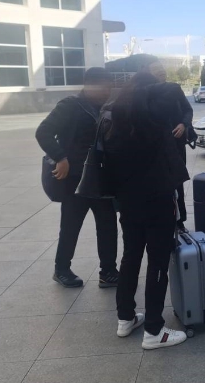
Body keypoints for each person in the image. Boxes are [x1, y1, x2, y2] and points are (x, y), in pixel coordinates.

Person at [104, 72, 190, 350]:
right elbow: (172, 91)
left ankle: (125, 318)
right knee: (157, 261)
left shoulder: (115, 122)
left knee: (130, 256)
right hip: (157, 201)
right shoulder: (154, 122)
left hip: (128, 202)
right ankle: (154, 330)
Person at [35, 67, 119, 289]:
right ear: (89, 85)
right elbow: (43, 132)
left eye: (109, 88)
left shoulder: (107, 107)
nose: (107, 92)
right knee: (71, 226)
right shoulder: (70, 105)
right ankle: (61, 269)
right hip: (75, 180)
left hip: (100, 178)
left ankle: (108, 272)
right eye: (104, 87)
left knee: (108, 225)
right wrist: (60, 157)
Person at [143, 60, 194, 226]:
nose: (161, 71)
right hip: (156, 146)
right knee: (161, 184)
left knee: (178, 182)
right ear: (148, 73)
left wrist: (183, 124)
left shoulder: (174, 89)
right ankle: (164, 221)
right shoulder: (144, 93)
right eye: (156, 69)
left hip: (177, 144)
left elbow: (188, 109)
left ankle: (180, 221)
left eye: (162, 68)